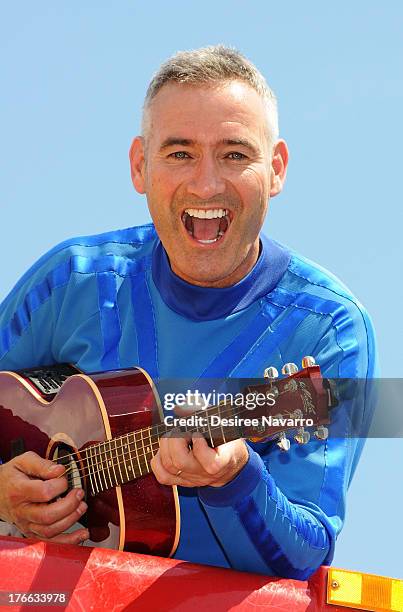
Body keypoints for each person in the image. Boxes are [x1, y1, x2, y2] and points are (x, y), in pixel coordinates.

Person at [0, 46, 377, 579]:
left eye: (234, 154)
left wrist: (238, 479)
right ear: (139, 165)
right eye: (179, 154)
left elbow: (306, 559)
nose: (205, 184)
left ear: (276, 169)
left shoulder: (328, 330)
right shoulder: (71, 281)